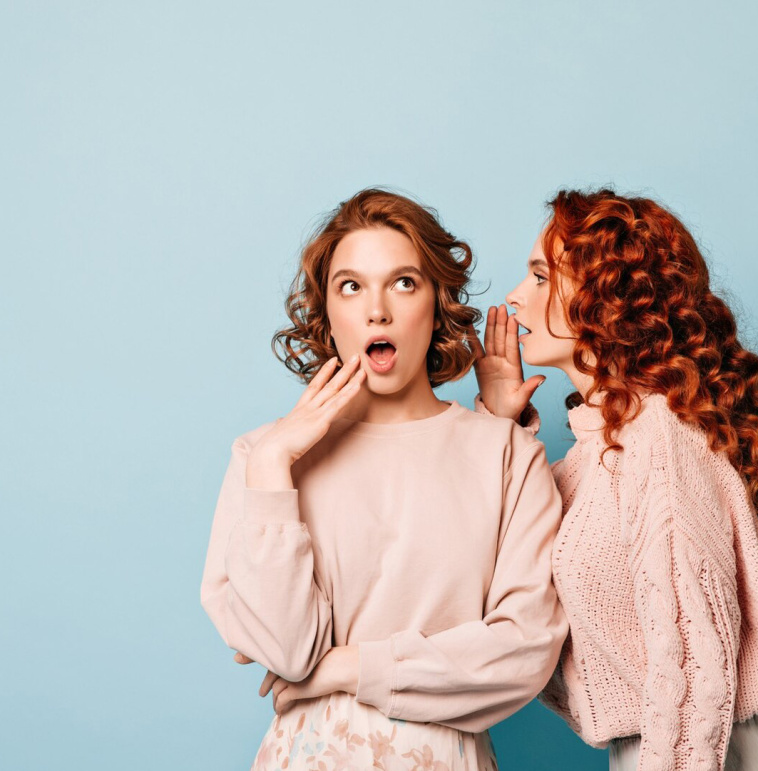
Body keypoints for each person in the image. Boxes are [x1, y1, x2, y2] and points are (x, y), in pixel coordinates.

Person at [200, 188, 567, 771]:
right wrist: (272, 473)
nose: (377, 310)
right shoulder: (262, 458)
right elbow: (286, 651)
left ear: (437, 301)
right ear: (326, 311)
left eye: (403, 282)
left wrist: (346, 668)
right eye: (351, 286)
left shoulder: (506, 453)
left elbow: (524, 652)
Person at [471, 188, 758, 771]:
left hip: (709, 752)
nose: (514, 297)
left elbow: (694, 675)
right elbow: (495, 574)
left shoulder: (658, 441)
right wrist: (501, 424)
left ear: (607, 298)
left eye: (538, 276)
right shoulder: (593, 457)